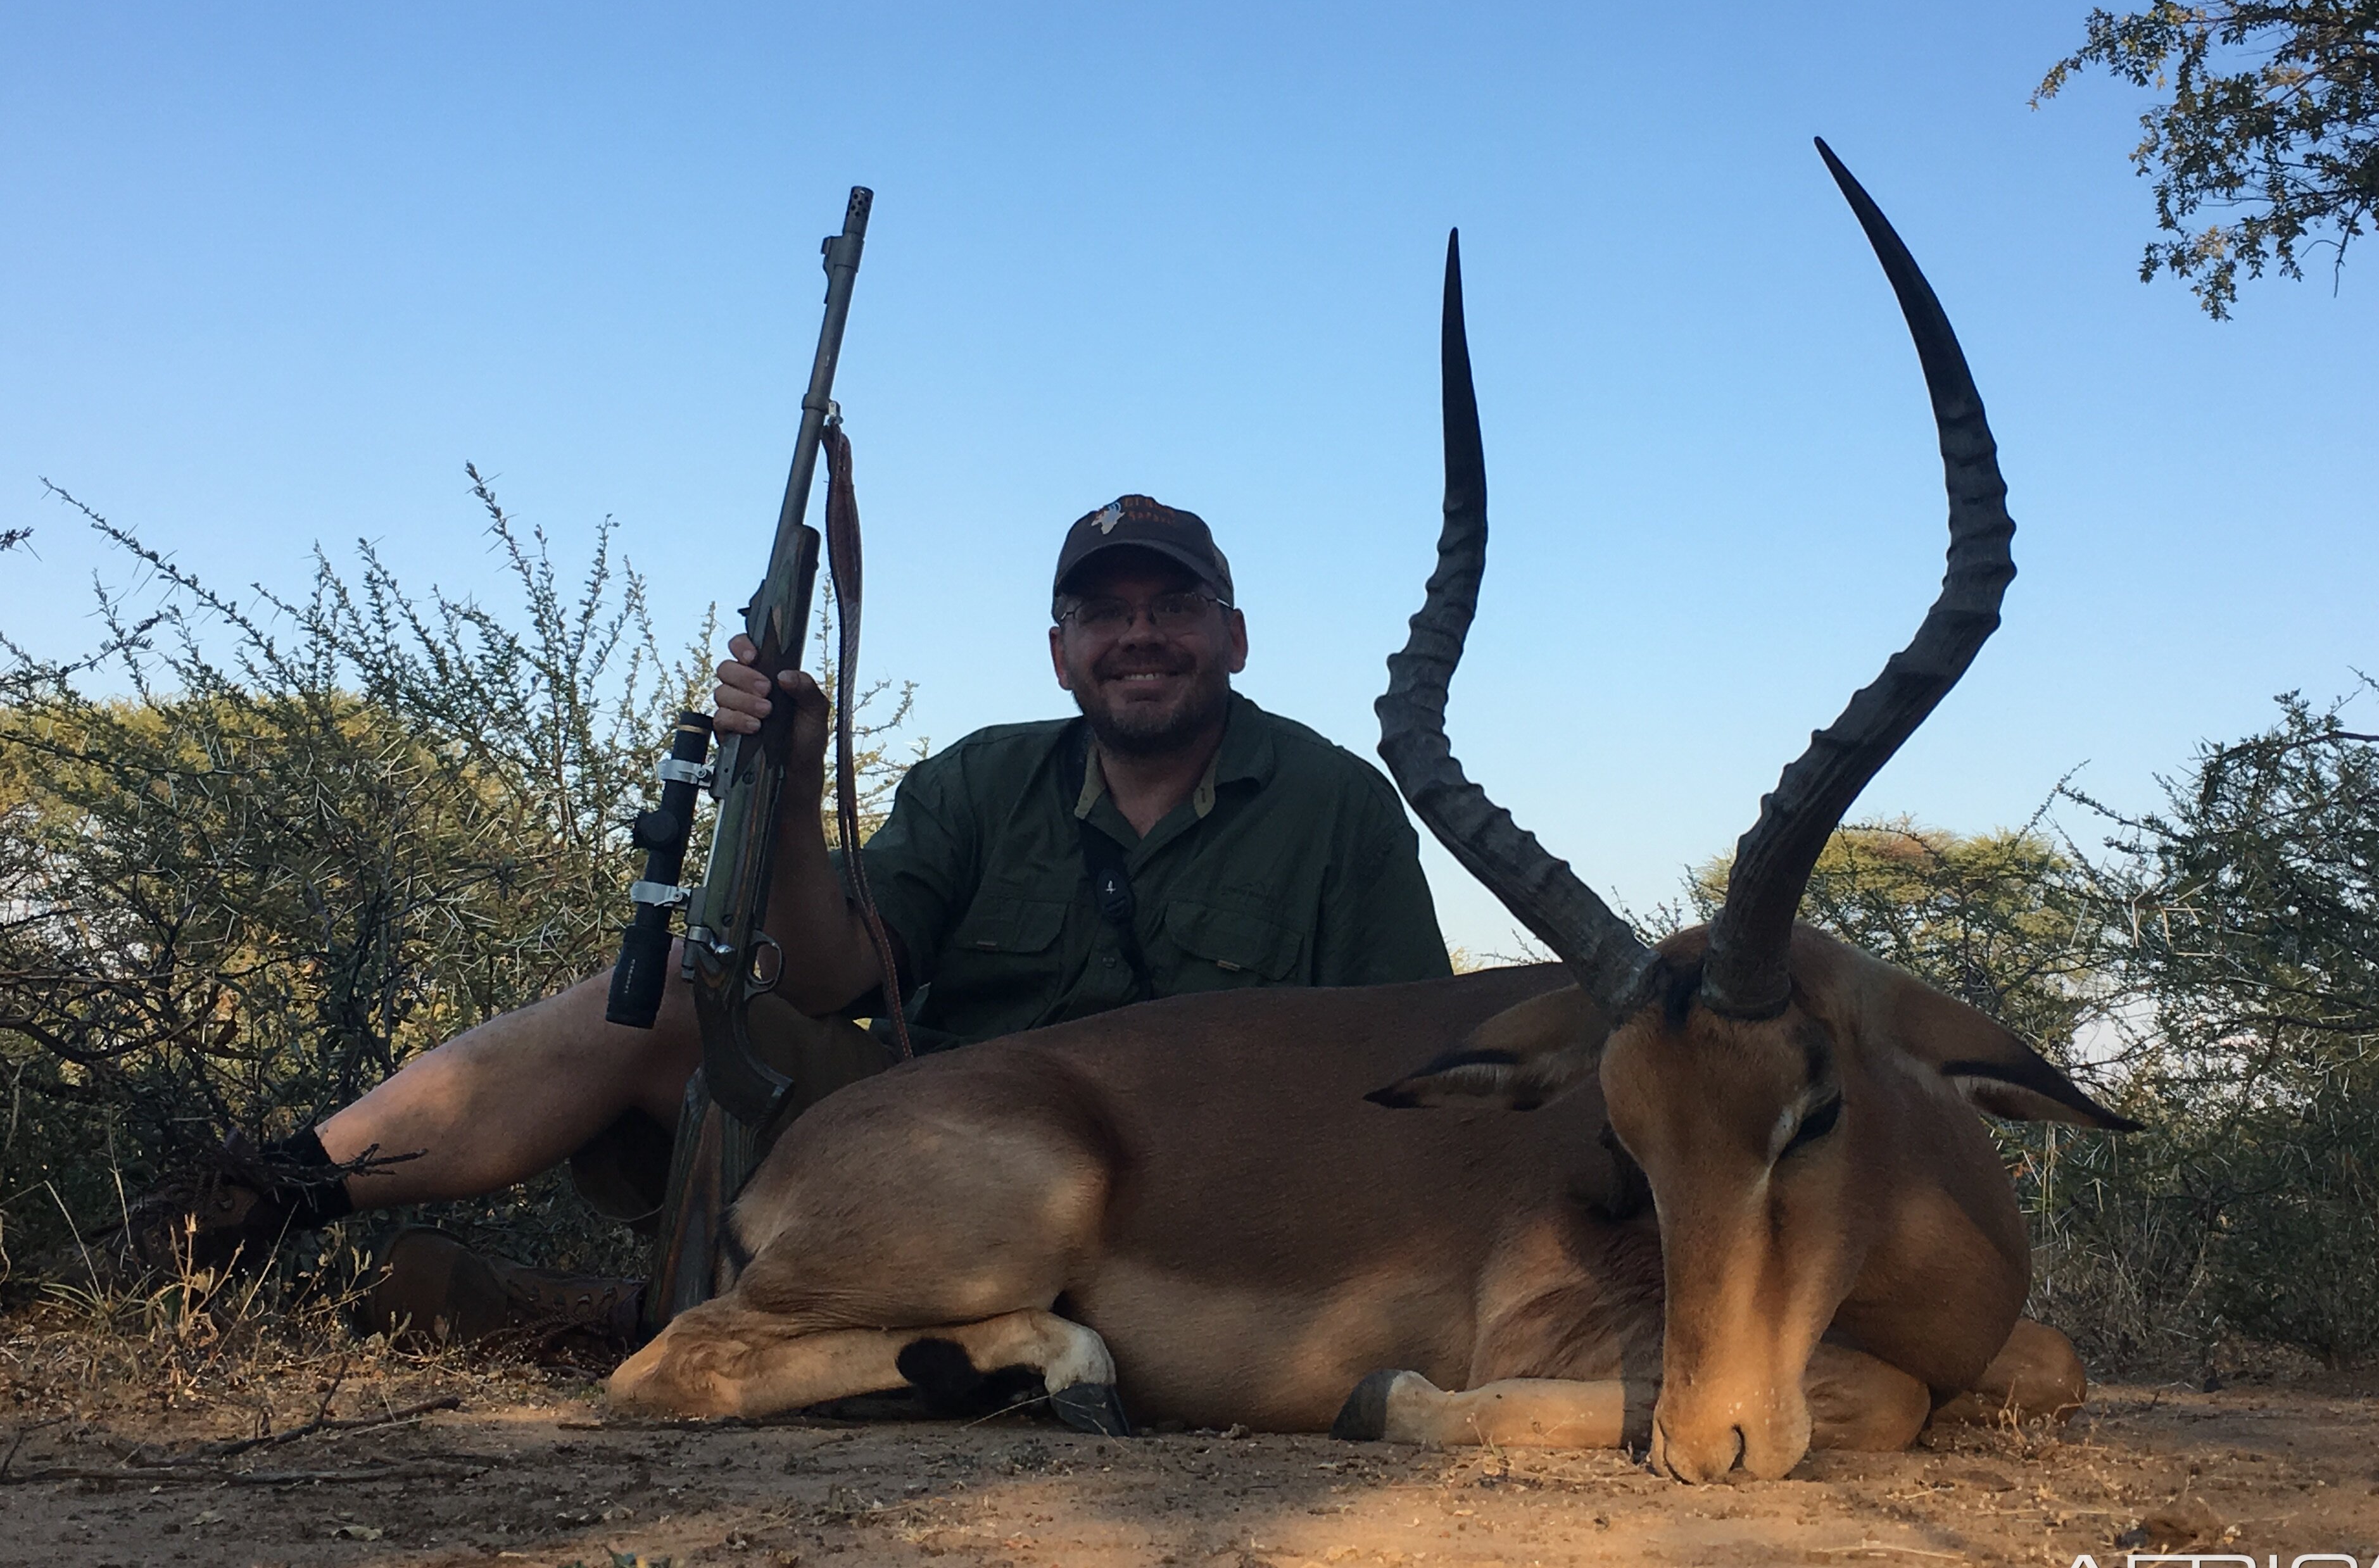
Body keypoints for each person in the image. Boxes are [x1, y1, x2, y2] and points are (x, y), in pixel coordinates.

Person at [136, 495, 1451, 1336]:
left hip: (1186, 1206)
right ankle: (257, 1202)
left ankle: (627, 1316)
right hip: (929, 1150)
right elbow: (830, 979)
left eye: (1174, 608)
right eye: (1103, 615)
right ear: (1061, 652)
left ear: (1234, 637)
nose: (1139, 635)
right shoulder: (983, 780)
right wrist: (788, 784)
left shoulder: (1340, 807)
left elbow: (1404, 1081)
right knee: (642, 1006)